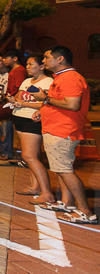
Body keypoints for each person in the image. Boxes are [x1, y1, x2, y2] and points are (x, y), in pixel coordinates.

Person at [30, 46, 96, 224]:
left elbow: (73, 105)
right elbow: (58, 101)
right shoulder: (61, 77)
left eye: (46, 57)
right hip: (56, 129)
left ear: (60, 59)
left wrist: (44, 99)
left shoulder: (70, 78)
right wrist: (44, 110)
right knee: (60, 168)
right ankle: (67, 204)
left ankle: (86, 212)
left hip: (63, 130)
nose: (43, 61)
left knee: (65, 170)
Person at [7, 55, 54, 202]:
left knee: (29, 157)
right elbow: (20, 97)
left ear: (41, 66)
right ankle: (35, 186)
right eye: (26, 64)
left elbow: (46, 103)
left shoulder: (48, 82)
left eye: (31, 64)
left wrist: (24, 105)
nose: (27, 67)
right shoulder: (27, 81)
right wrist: (14, 101)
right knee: (33, 156)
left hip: (32, 120)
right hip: (19, 118)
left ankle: (47, 194)